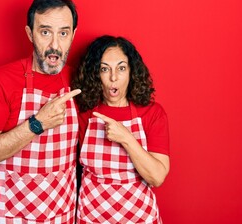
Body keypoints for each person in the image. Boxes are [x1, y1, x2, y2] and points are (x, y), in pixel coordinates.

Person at [0, 0, 81, 224]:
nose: (54, 45)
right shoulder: (2, 80)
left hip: (61, 214)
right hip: (11, 216)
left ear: (73, 35)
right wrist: (37, 123)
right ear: (30, 33)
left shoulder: (79, 80)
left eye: (63, 33)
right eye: (45, 32)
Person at [72, 35, 170, 224]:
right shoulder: (83, 113)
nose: (113, 77)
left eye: (121, 68)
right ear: (95, 73)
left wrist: (127, 139)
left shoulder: (152, 113)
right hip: (92, 217)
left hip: (138, 217)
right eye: (104, 69)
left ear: (131, 72)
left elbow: (157, 177)